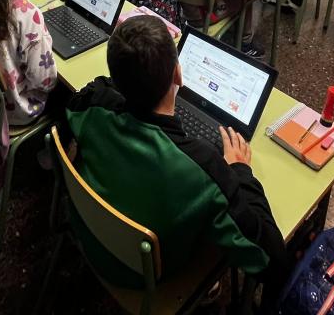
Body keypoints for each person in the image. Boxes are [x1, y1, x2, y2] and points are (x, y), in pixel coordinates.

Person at [65, 16, 289, 313]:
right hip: (144, 276)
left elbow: (89, 92)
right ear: (179, 75)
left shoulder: (93, 107)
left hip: (89, 236)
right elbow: (272, 260)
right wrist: (239, 171)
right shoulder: (203, 167)